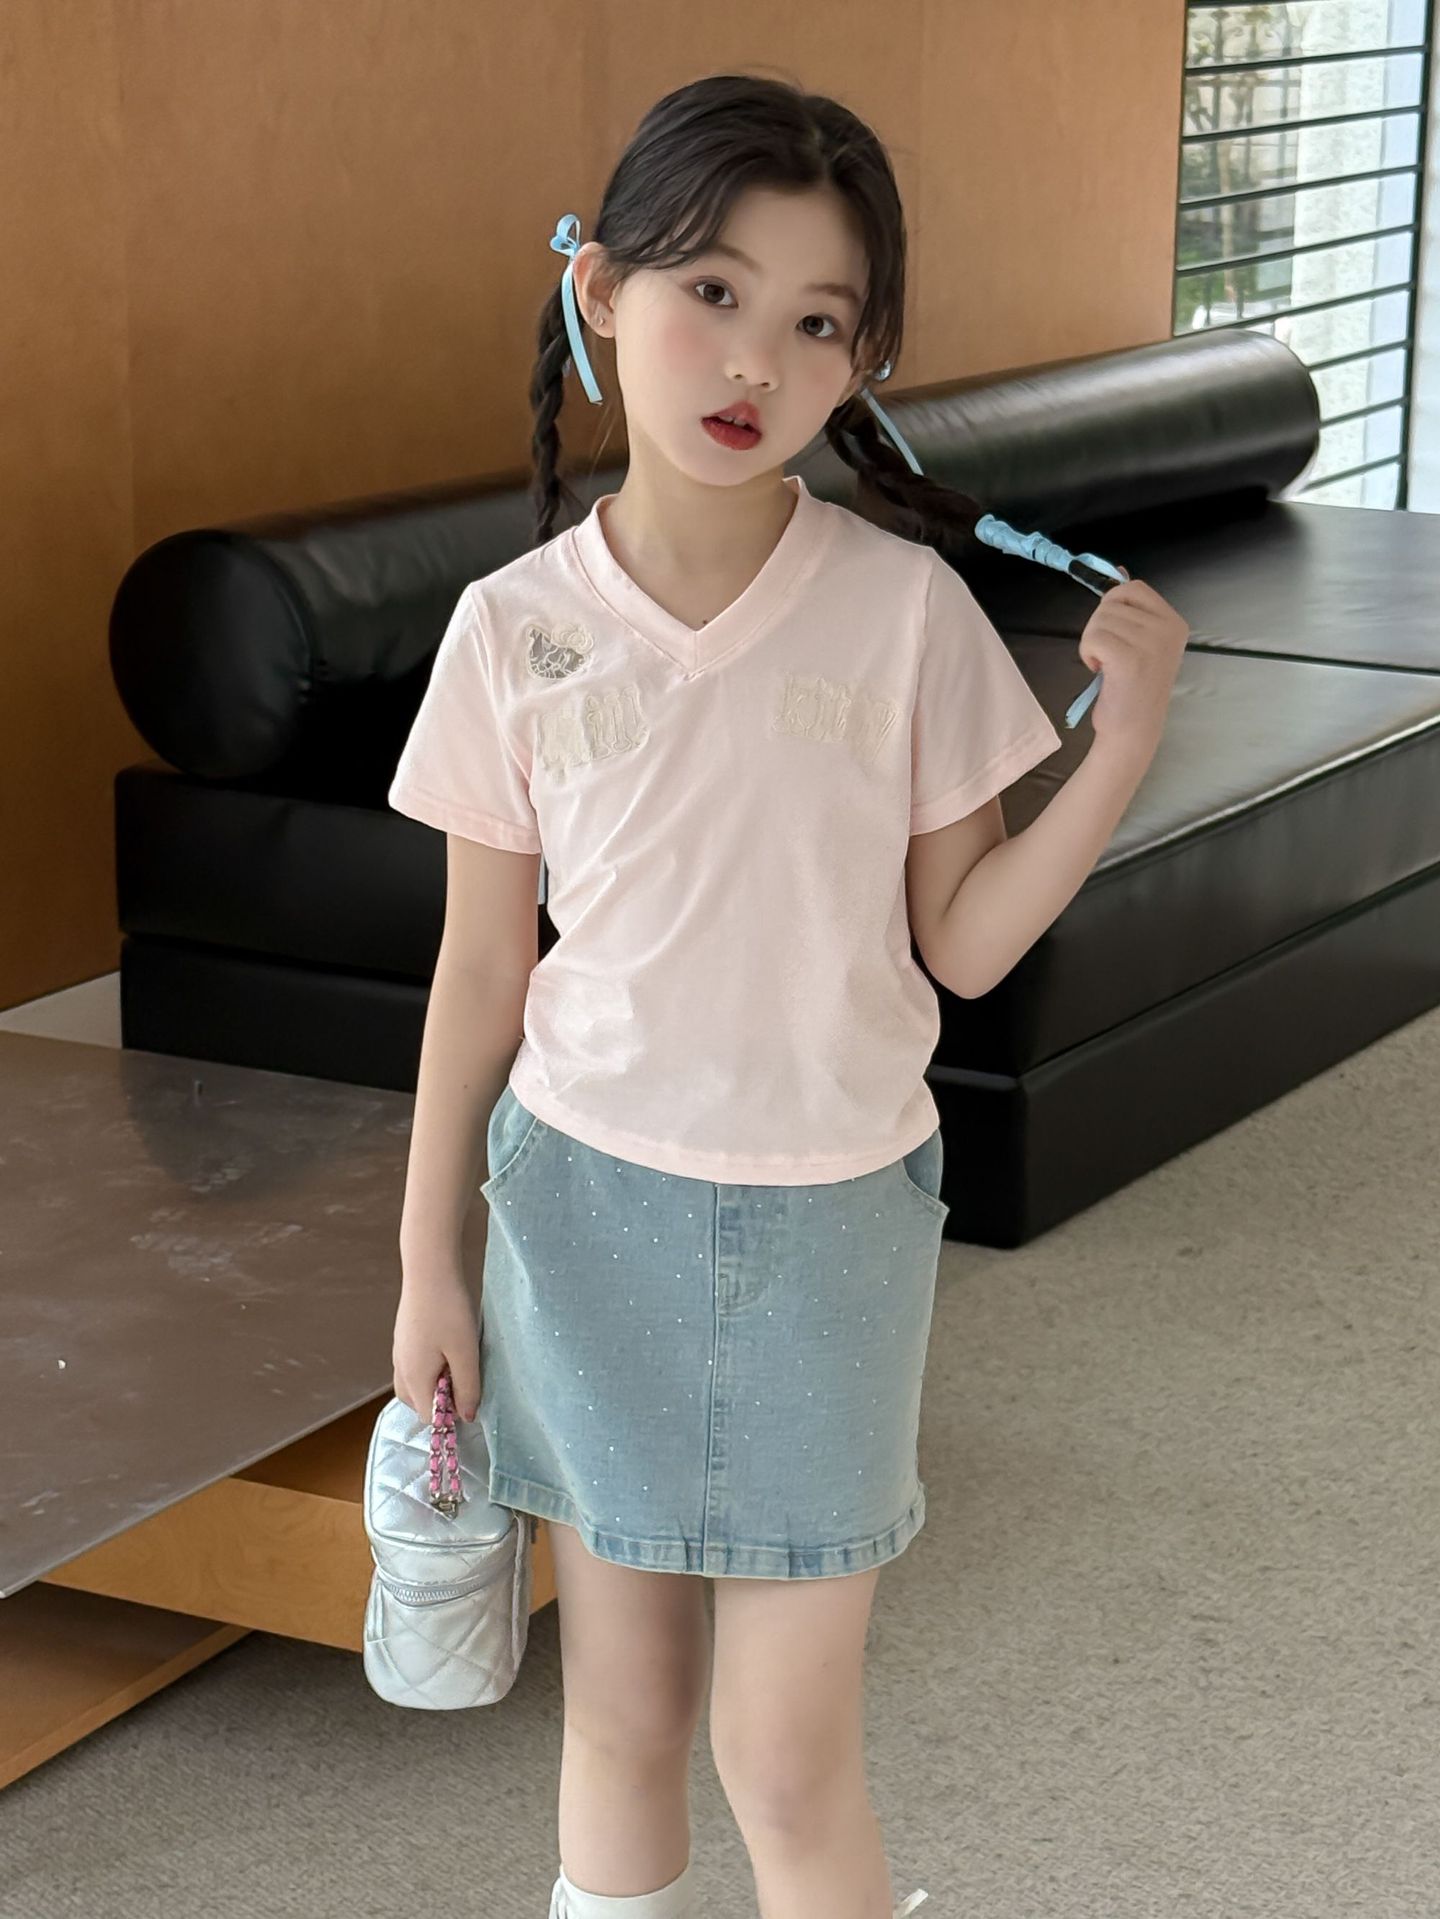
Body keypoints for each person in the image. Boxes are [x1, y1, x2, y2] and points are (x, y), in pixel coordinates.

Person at [388, 71, 1190, 1919]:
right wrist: (430, 1260)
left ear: (864, 363)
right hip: (583, 1207)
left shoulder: (905, 613)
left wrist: (1122, 750)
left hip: (833, 1225)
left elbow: (964, 945)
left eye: (818, 322)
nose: (755, 357)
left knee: (785, 1750)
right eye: (712, 292)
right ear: (602, 293)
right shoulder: (511, 630)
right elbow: (481, 972)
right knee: (622, 1719)